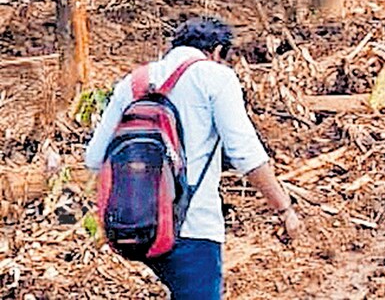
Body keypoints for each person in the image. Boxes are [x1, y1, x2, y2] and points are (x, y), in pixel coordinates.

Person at [86, 16, 302, 300]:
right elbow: (245, 154)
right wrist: (284, 209)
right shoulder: (215, 77)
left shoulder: (133, 82)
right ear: (217, 53)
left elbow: (94, 158)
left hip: (131, 228)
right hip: (193, 227)